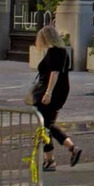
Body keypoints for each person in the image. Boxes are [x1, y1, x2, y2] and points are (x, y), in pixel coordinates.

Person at [31, 26, 82, 171]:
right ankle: (69, 149)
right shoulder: (62, 51)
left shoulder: (55, 52)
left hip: (52, 93)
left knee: (44, 127)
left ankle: (52, 159)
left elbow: (55, 73)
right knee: (48, 125)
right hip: (59, 92)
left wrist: (48, 93)